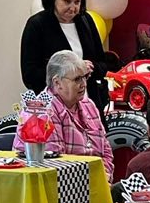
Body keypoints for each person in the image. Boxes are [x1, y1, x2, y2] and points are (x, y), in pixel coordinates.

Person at [20, 0, 115, 115]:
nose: (73, 8)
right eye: (67, 1)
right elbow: (30, 75)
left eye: (77, 2)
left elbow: (102, 63)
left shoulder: (86, 21)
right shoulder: (37, 25)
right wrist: (71, 71)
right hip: (53, 110)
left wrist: (91, 67)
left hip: (90, 108)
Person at [40, 49, 113, 177]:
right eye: (77, 79)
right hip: (66, 187)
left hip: (94, 183)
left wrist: (104, 177)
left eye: (85, 77)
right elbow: (57, 163)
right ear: (57, 82)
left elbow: (106, 151)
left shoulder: (89, 105)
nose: (84, 84)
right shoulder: (44, 111)